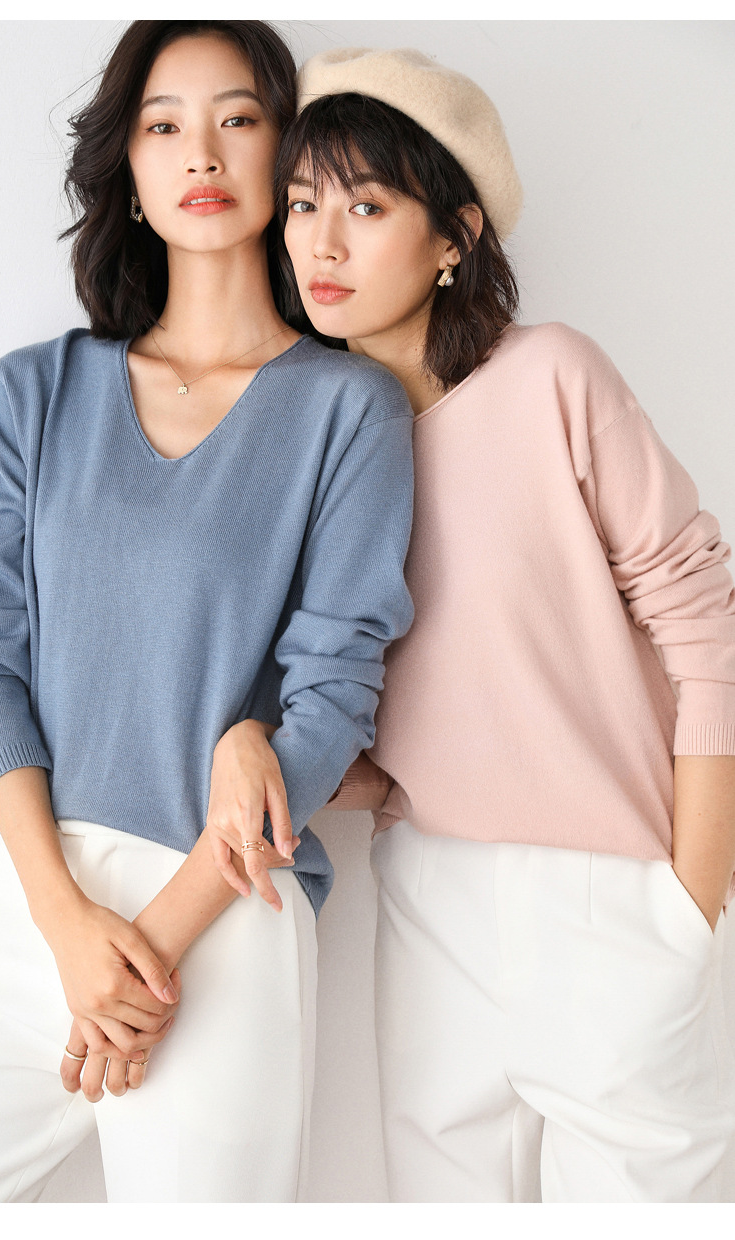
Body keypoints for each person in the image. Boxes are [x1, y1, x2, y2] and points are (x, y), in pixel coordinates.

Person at [205, 47, 735, 1203]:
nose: (320, 244)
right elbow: (364, 714)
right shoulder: (311, 458)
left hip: (611, 893)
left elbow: (708, 630)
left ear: (455, 236)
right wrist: (251, 742)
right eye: (301, 205)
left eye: (365, 207)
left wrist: (691, 906)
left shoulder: (551, 379)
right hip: (428, 897)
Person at [0, 25, 413, 1203]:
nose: (200, 151)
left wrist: (150, 947)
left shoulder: (349, 409)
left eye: (238, 118)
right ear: (131, 166)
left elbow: (333, 698)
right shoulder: (33, 391)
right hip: (32, 899)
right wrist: (64, 922)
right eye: (164, 124)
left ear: (284, 151)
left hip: (223, 910)